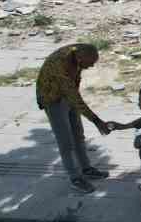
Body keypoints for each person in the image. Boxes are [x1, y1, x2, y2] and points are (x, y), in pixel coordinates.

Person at [35, 42, 112, 193]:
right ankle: (75, 178)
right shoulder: (60, 65)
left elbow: (73, 95)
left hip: (67, 94)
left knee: (78, 135)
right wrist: (97, 121)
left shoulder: (77, 52)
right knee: (66, 142)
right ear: (81, 57)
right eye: (89, 64)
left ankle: (86, 169)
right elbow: (75, 99)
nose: (90, 67)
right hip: (53, 99)